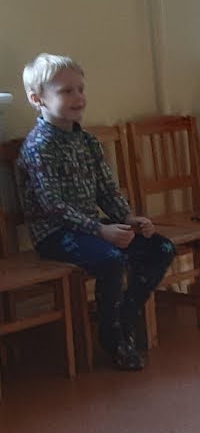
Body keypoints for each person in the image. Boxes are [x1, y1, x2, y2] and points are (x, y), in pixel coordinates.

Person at [16, 52, 174, 371]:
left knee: (161, 248)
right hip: (56, 234)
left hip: (92, 227)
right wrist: (101, 230)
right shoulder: (39, 146)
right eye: (66, 91)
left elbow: (106, 189)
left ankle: (124, 317)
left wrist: (127, 218)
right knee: (111, 259)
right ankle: (113, 338)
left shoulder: (87, 141)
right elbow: (53, 206)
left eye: (80, 89)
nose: (78, 97)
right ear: (37, 99)